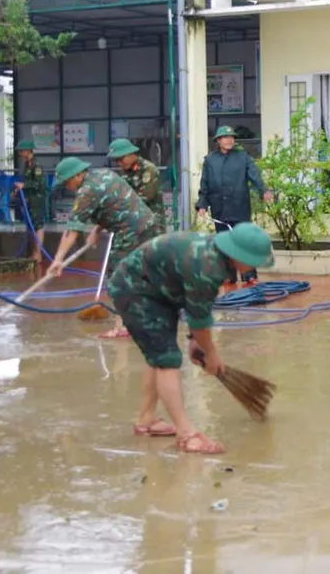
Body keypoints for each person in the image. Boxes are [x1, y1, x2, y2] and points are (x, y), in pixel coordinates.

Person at [108, 222, 274, 454]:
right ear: (239, 254)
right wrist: (212, 353)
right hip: (136, 291)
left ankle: (145, 420)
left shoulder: (214, 255)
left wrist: (196, 342)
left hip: (157, 291)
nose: (255, 266)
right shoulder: (207, 267)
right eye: (254, 261)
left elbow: (196, 308)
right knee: (167, 360)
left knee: (157, 356)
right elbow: (199, 320)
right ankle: (187, 435)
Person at [47, 157, 162, 340]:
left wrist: (58, 260)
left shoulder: (86, 191)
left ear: (77, 175)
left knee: (118, 278)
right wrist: (96, 229)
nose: (67, 186)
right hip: (148, 225)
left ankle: (122, 327)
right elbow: (112, 204)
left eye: (67, 181)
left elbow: (71, 231)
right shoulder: (103, 174)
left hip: (130, 232)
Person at [197, 126, 273, 284]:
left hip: (240, 206)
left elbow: (255, 176)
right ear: (218, 141)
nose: (229, 140)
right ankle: (228, 275)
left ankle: (249, 275)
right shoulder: (210, 160)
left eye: (231, 137)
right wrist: (202, 204)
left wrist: (264, 190)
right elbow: (205, 184)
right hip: (220, 208)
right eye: (225, 137)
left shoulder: (243, 157)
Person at [109, 138, 168, 233]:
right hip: (133, 225)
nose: (119, 163)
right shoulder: (125, 171)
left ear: (130, 154)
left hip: (151, 223)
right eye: (116, 160)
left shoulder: (148, 169)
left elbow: (144, 197)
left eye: (121, 159)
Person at [13, 140, 48, 262]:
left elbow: (40, 184)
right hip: (28, 200)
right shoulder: (27, 165)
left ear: (28, 151)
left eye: (22, 151)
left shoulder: (36, 165)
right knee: (31, 226)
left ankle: (38, 254)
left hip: (36, 200)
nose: (21, 154)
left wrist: (24, 185)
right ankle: (34, 252)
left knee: (37, 226)